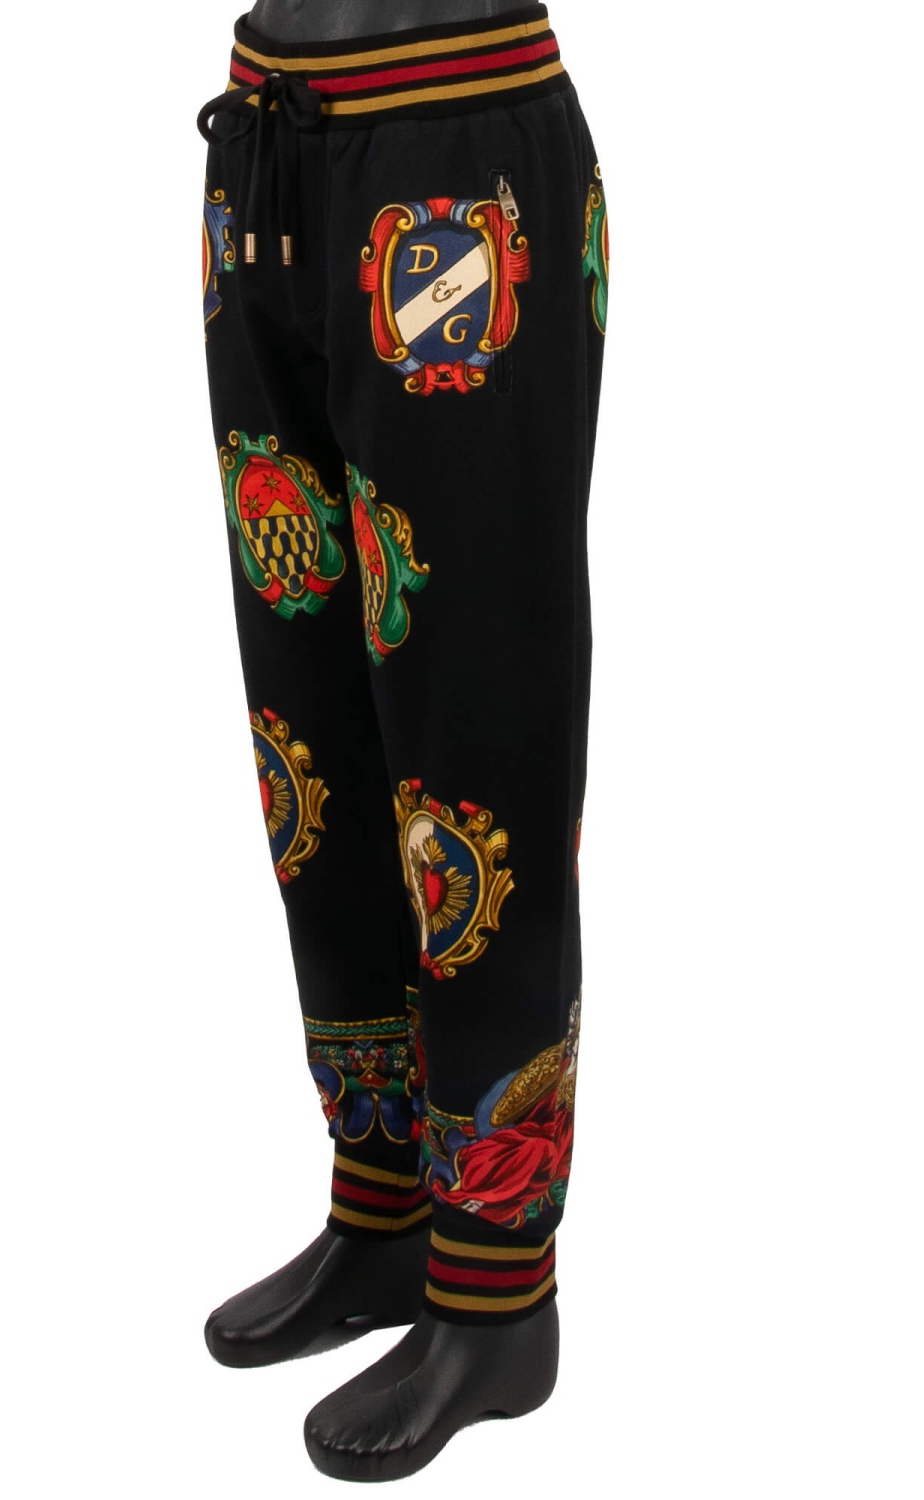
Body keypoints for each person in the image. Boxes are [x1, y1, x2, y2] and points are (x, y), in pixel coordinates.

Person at [194, 0, 609, 1478]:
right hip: (265, 143)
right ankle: (381, 1210)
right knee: (308, 726)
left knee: (478, 738)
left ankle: (496, 1294)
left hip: (458, 146)